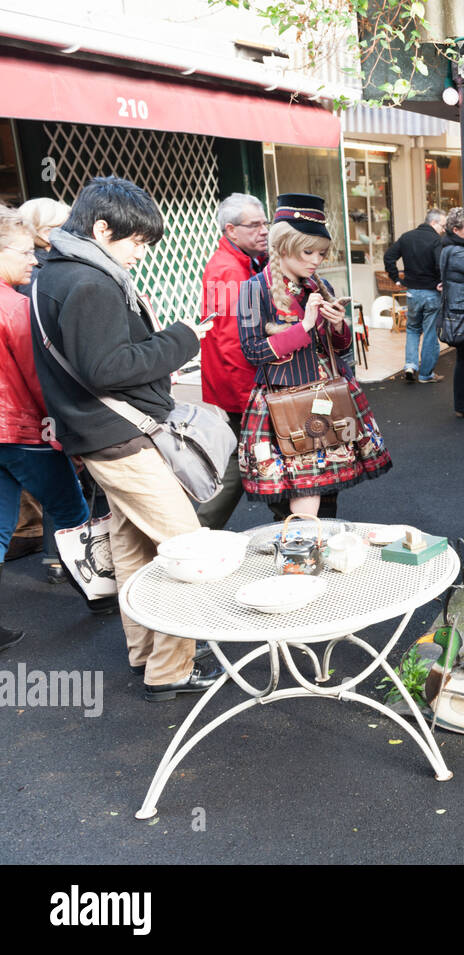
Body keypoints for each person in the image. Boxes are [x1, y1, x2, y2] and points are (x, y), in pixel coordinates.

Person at [27, 176, 219, 700]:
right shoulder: (90, 282)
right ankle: (171, 668)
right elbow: (108, 368)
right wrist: (181, 339)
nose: (141, 252)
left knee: (132, 548)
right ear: (103, 227)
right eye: (136, 241)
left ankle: (147, 655)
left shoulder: (56, 272)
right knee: (187, 549)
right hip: (117, 435)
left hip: (96, 433)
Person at [237, 193, 391, 516]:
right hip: (286, 405)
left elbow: (342, 349)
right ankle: (300, 559)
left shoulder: (319, 286)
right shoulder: (254, 289)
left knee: (328, 493)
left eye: (321, 253)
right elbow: (252, 351)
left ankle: (317, 556)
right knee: (296, 500)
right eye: (308, 251)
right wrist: (304, 326)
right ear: (284, 246)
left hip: (328, 399)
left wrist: (338, 326)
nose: (316, 260)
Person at [0, 205, 90, 651]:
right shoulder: (14, 307)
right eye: (22, 252)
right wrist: (59, 423)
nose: (33, 259)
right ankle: (101, 595)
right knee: (73, 514)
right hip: (20, 428)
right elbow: (38, 377)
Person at [195, 193, 268, 530]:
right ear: (231, 230)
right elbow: (231, 342)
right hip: (241, 386)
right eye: (255, 225)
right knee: (249, 457)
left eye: (264, 223)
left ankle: (198, 531)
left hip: (239, 385)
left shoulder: (240, 263)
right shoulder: (229, 270)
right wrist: (249, 398)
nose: (264, 230)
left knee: (245, 458)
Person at [16, 197, 76, 582]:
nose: (71, 227)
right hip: (41, 403)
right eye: (61, 222)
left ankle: (58, 557)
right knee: (64, 482)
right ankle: (72, 562)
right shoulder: (37, 278)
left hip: (31, 405)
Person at [384, 207, 446, 382]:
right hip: (431, 293)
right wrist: (441, 281)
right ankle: (426, 374)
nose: (443, 230)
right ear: (433, 222)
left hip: (412, 292)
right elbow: (439, 264)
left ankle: (410, 365)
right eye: (442, 225)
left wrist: (396, 278)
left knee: (412, 329)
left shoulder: (406, 237)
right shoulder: (436, 240)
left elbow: (389, 257)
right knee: (429, 332)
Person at [437, 206, 464, 419]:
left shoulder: (449, 247)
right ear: (457, 229)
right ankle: (463, 404)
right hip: (463, 313)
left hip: (459, 311)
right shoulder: (457, 251)